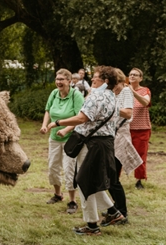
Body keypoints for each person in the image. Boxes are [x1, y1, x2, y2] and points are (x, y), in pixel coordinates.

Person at [48, 66, 125, 236]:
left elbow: (81, 118)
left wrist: (58, 122)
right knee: (90, 180)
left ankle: (92, 226)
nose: (92, 80)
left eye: (95, 78)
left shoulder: (97, 95)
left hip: (93, 145)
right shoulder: (112, 95)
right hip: (105, 144)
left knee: (84, 182)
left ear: (105, 81)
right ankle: (112, 213)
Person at [40, 69, 84, 214]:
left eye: (62, 79)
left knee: (68, 169)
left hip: (70, 139)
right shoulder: (54, 93)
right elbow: (48, 110)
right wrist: (44, 125)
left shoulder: (76, 95)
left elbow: (80, 118)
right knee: (52, 166)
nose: (58, 82)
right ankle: (58, 194)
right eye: (57, 79)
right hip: (54, 137)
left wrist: (65, 130)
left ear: (69, 81)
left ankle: (72, 201)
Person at [107, 68, 143, 222]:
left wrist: (108, 107)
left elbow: (128, 113)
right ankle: (116, 209)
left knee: (112, 178)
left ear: (120, 81)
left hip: (120, 137)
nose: (111, 86)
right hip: (110, 136)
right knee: (109, 177)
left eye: (113, 82)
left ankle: (122, 212)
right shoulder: (110, 92)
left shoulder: (126, 92)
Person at [128, 67, 151, 189]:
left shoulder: (145, 91)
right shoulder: (124, 91)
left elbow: (145, 103)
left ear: (140, 78)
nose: (132, 76)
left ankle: (139, 180)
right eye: (131, 74)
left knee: (140, 154)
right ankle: (114, 178)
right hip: (125, 128)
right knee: (120, 154)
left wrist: (133, 92)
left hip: (142, 128)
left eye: (135, 75)